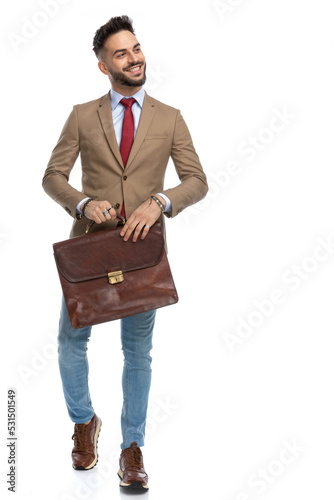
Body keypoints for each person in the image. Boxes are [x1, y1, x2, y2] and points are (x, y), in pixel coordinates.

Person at [42, 15, 208, 492]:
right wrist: (81, 201)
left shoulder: (169, 117)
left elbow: (197, 180)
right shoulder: (81, 115)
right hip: (88, 251)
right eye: (121, 53)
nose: (134, 58)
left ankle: (131, 447)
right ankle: (82, 422)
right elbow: (52, 175)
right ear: (102, 66)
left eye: (136, 48)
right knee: (72, 341)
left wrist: (160, 202)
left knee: (137, 351)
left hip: (141, 253)